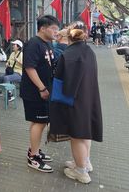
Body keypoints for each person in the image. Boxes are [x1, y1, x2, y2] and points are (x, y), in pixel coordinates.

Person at [49, 23, 103, 184]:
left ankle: (81, 171)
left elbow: (62, 82)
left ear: (68, 37)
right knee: (86, 131)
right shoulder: (89, 51)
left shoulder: (69, 54)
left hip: (73, 99)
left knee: (76, 134)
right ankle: (84, 162)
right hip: (89, 97)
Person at [20, 15, 59, 173]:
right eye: (54, 29)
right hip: (35, 92)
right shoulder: (33, 44)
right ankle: (33, 158)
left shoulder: (47, 44)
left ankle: (34, 150)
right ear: (43, 28)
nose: (56, 32)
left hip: (44, 90)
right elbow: (30, 68)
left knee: (38, 122)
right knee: (39, 122)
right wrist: (42, 88)